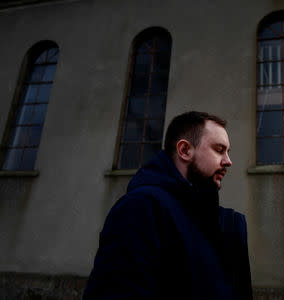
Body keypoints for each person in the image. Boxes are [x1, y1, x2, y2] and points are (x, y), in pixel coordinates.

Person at [83, 111, 252, 299]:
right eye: (219, 150)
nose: (228, 161)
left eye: (227, 152)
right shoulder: (140, 209)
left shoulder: (226, 225)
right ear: (185, 150)